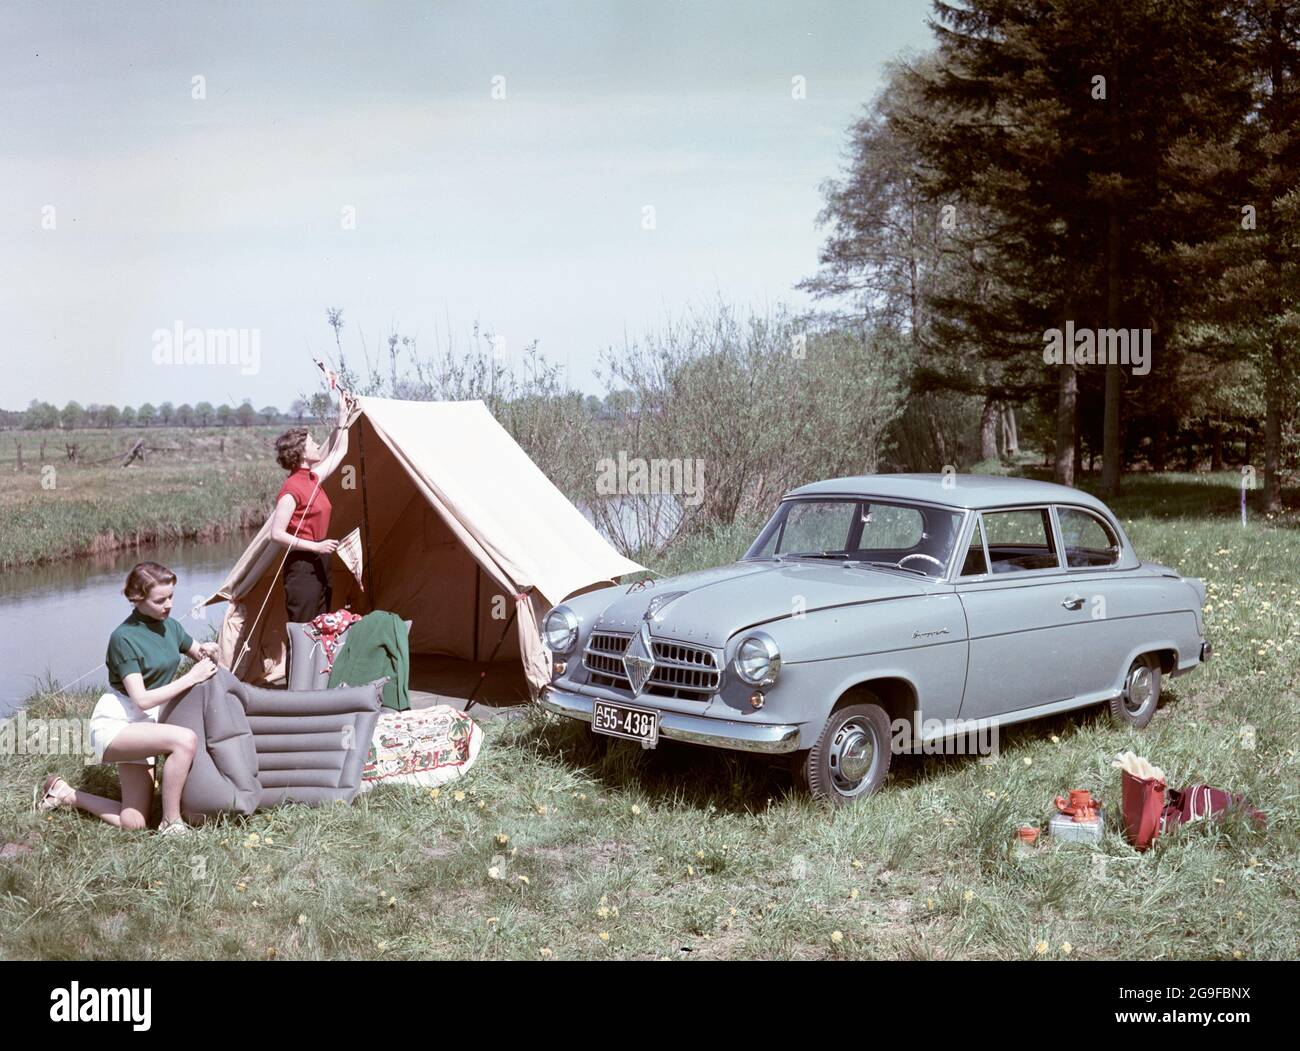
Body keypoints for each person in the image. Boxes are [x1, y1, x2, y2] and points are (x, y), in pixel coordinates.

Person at [36, 561, 217, 834]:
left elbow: (200, 655)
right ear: (137, 599)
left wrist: (209, 650)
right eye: (159, 600)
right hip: (118, 724)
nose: (168, 605)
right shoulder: (123, 638)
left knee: (134, 823)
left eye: (171, 597)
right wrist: (191, 677)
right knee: (185, 740)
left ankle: (64, 793)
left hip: (146, 725)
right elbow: (141, 699)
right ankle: (171, 822)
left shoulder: (171, 626)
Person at [270, 373, 351, 623]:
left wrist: (343, 417)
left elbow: (340, 452)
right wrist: (316, 546)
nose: (318, 445)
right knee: (304, 631)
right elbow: (277, 534)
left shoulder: (313, 478)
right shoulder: (292, 488)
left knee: (322, 629)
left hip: (321, 563)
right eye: (313, 443)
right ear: (301, 453)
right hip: (302, 567)